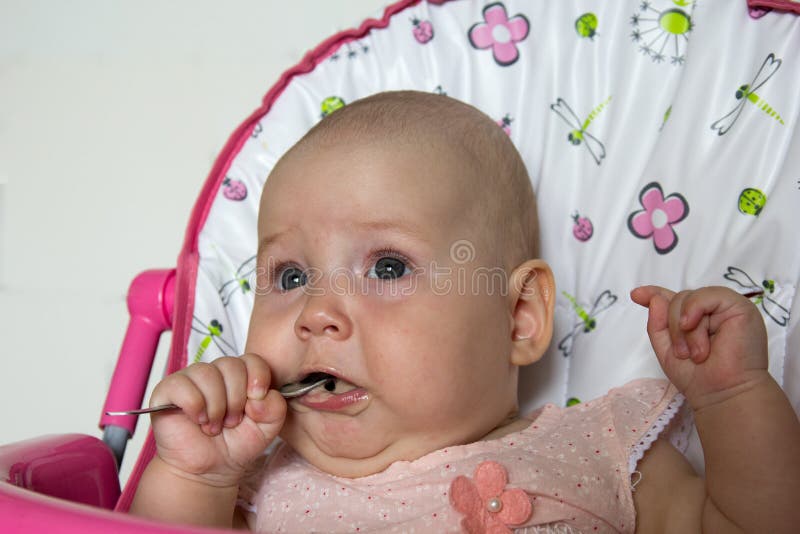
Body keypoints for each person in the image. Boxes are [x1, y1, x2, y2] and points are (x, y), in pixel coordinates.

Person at [130, 91, 800, 533]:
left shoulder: (601, 449)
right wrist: (195, 475)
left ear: (518, 319)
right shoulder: (253, 489)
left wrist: (734, 398)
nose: (316, 314)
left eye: (386, 267)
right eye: (291, 275)